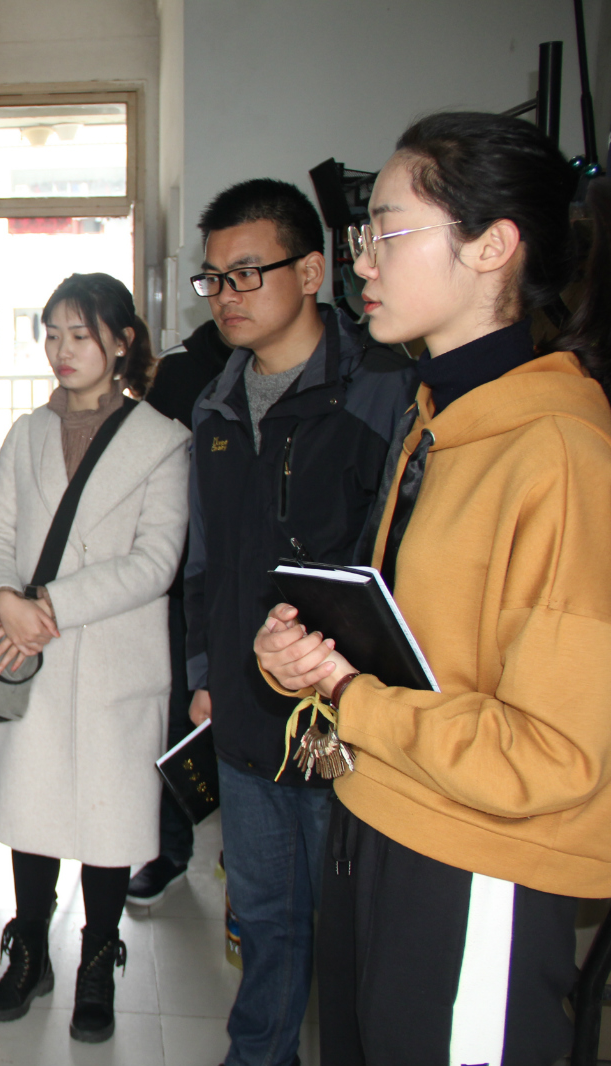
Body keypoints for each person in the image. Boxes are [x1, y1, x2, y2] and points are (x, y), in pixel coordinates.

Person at [255, 115, 611, 1065]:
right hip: (377, 813)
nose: (362, 260)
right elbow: (418, 649)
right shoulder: (439, 421)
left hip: (476, 859)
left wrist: (351, 695)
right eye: (363, 233)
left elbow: (553, 757)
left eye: (387, 229)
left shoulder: (561, 456)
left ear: (492, 247)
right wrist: (311, 654)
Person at [182, 178, 414, 1066]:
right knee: (266, 923)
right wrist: (205, 674)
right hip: (246, 716)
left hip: (348, 719)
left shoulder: (380, 390)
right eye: (214, 279)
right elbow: (203, 565)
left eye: (247, 274)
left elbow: (397, 570)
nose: (227, 296)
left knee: (354, 935)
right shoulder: (215, 405)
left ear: (311, 271)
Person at [0, 271, 189, 1043]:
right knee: (33, 814)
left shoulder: (162, 442)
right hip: (25, 650)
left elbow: (155, 562)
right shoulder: (28, 433)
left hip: (111, 659)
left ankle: (98, 959)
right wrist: (2, 597)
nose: (63, 349)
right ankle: (29, 951)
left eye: (81, 334)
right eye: (53, 334)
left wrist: (48, 607)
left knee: (107, 819)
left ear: (121, 342)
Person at [127, 318, 234, 905]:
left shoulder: (310, 366)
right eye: (215, 280)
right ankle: (170, 849)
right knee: (174, 720)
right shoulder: (182, 372)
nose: (230, 295)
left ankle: (241, 850)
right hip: (182, 580)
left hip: (264, 585)